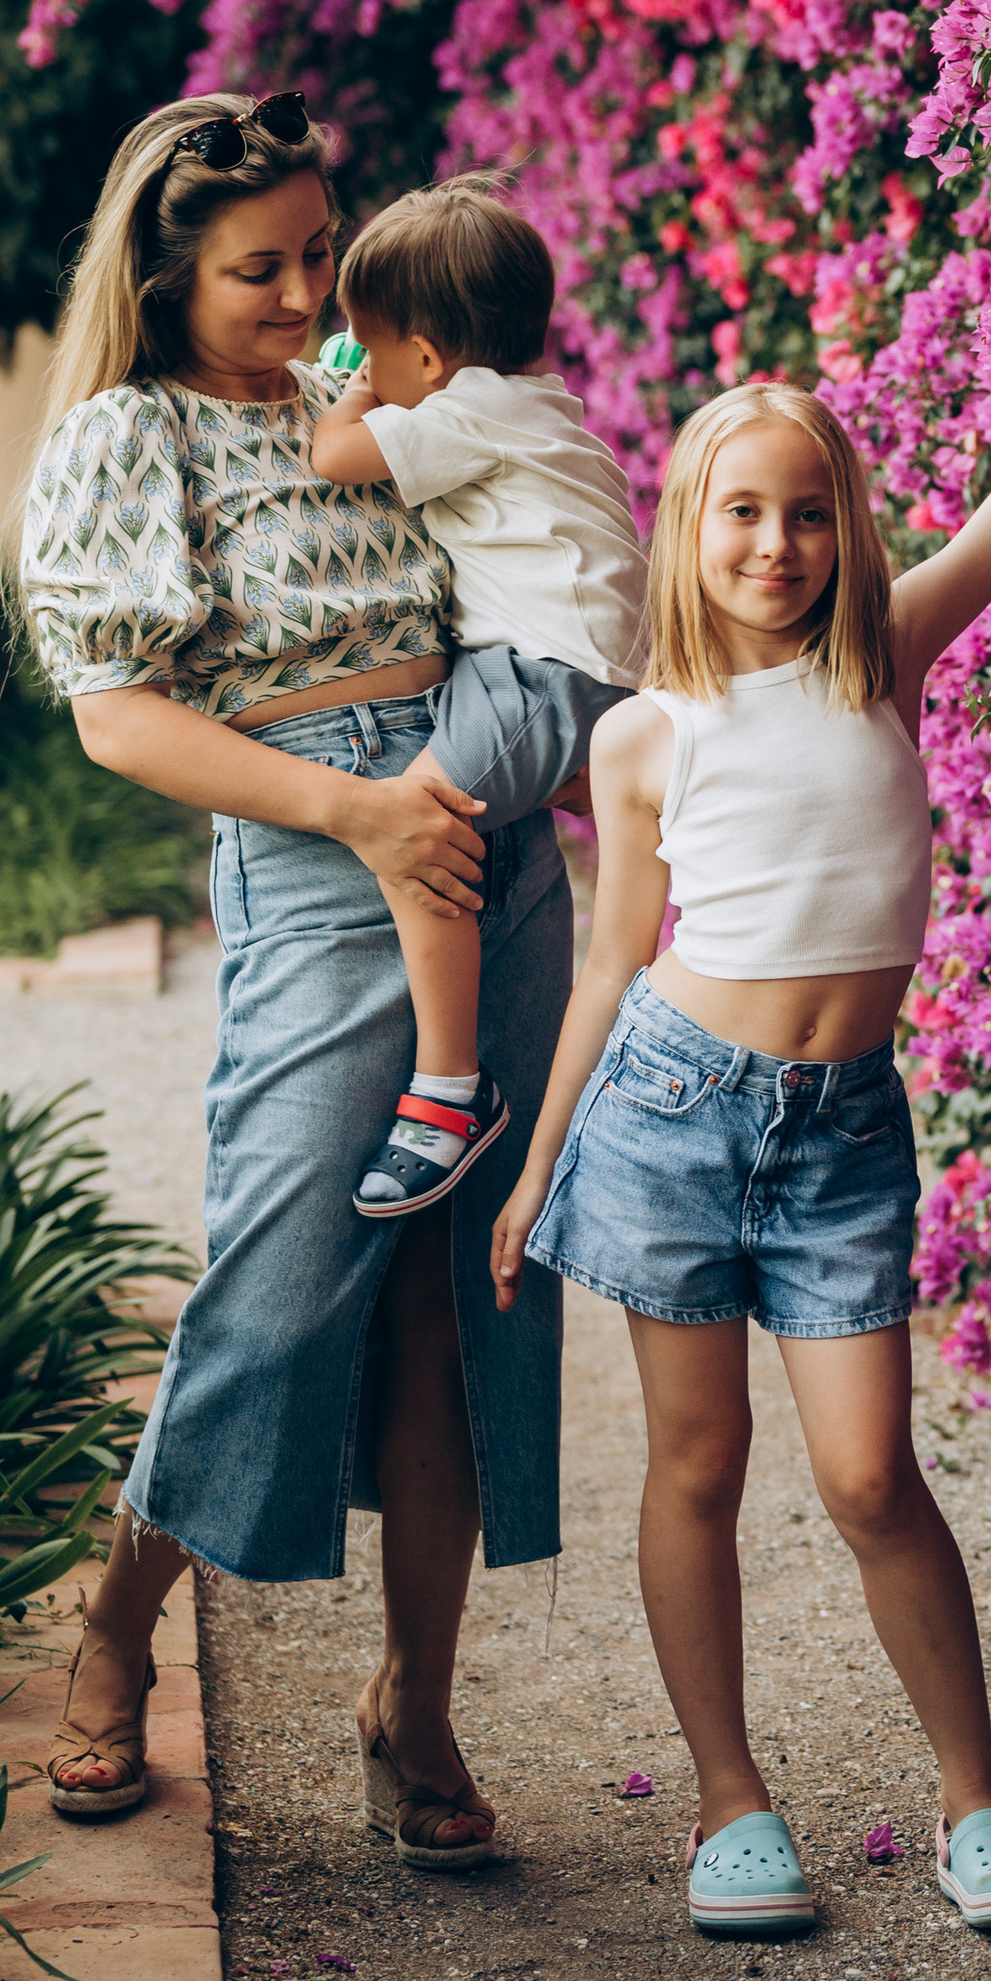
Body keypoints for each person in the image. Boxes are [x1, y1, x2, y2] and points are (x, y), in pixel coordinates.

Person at [487, 302, 991, 1939]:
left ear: (845, 527)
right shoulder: (644, 738)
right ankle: (730, 1806)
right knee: (698, 1463)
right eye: (743, 510)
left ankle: (979, 1803)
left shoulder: (889, 656)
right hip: (666, 1114)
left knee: (871, 1475)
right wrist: (537, 1164)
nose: (777, 541)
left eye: (808, 511)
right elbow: (611, 959)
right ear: (688, 528)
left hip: (841, 1133)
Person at [16, 90, 575, 1872]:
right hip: (328, 843)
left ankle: (416, 1702)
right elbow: (118, 715)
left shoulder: (382, 381)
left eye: (320, 249)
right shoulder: (133, 435)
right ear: (166, 272)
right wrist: (359, 812)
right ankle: (119, 1631)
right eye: (259, 266)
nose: (303, 287)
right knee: (273, 1281)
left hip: (492, 835)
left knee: (461, 1305)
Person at [306, 176, 648, 1217]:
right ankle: (453, 1081)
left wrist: (347, 391)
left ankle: (450, 1091)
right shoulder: (541, 405)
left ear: (426, 358)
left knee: (418, 835)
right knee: (442, 832)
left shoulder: (465, 410)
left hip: (541, 675)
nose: (362, 363)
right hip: (576, 675)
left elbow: (331, 456)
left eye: (370, 345)